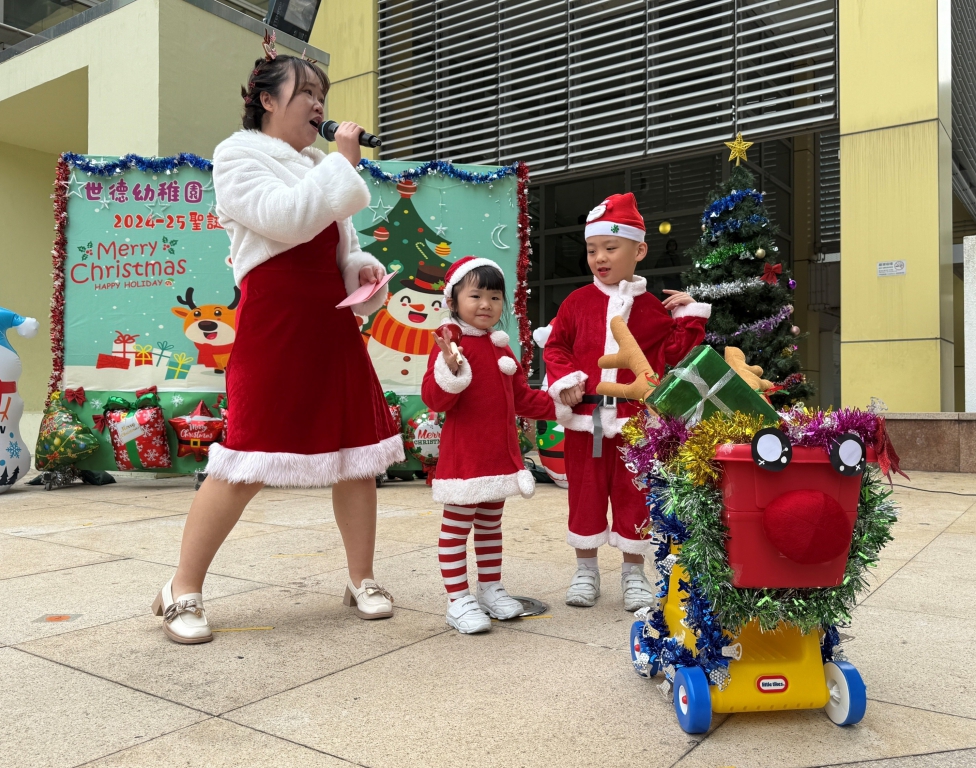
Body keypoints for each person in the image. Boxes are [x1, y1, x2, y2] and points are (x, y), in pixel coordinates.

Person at [152, 32, 404, 644]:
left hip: (330, 323)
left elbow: (339, 247)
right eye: (306, 92)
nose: (319, 104)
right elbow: (285, 219)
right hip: (276, 323)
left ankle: (362, 578)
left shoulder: (319, 167)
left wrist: (361, 270)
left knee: (357, 454)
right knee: (245, 457)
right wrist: (344, 163)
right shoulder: (237, 155)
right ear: (267, 99)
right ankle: (182, 588)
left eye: (322, 95)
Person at [542, 193, 710, 611]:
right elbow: (556, 346)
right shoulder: (576, 303)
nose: (599, 257)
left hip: (637, 423)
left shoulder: (652, 309)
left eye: (610, 247)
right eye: (591, 249)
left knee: (635, 495)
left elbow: (676, 354)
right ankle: (585, 569)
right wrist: (566, 380)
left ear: (639, 250)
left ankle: (634, 572)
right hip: (586, 420)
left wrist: (689, 315)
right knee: (584, 494)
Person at [421, 257, 556, 634]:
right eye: (476, 295)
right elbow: (435, 398)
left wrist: (561, 404)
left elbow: (522, 398)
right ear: (453, 301)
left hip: (498, 456)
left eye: (495, 297)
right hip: (464, 457)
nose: (486, 304)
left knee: (490, 526)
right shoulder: (451, 343)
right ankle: (458, 600)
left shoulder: (500, 347)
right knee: (456, 528)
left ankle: (490, 589)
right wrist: (450, 367)